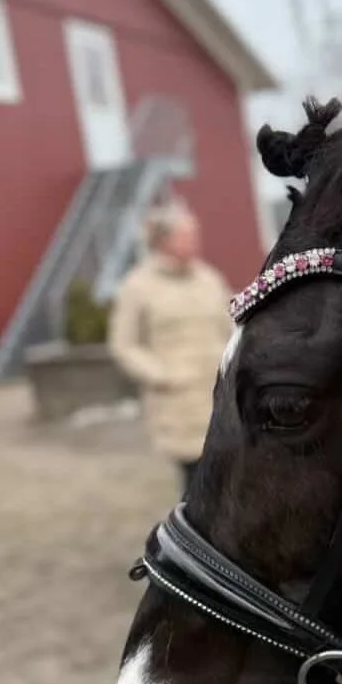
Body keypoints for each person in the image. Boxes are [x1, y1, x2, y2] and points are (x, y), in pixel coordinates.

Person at [108, 202, 232, 494]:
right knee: (198, 484)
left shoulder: (208, 278)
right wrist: (163, 375)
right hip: (180, 405)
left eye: (195, 234)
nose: (194, 241)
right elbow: (123, 345)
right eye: (186, 235)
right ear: (163, 241)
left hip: (222, 397)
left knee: (231, 479)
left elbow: (233, 325)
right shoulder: (137, 287)